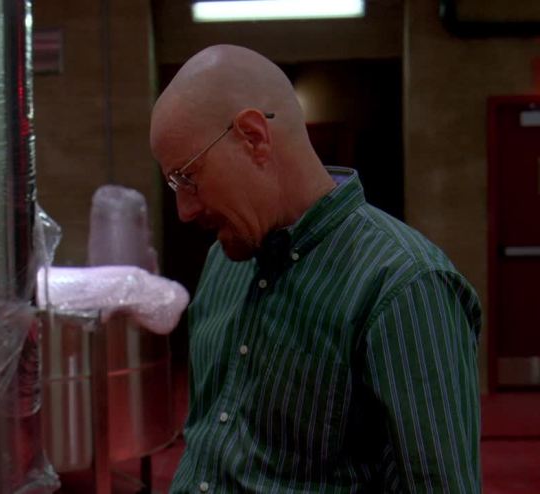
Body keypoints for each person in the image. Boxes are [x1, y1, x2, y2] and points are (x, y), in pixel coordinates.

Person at [150, 44, 481, 493]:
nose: (184, 210)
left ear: (253, 138)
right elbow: (208, 449)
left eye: (188, 177)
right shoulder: (224, 262)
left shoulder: (405, 285)